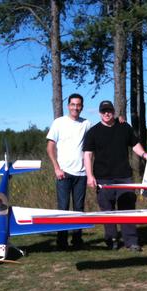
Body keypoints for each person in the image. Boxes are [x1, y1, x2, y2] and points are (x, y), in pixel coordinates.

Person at [83, 100, 147, 252]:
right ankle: (111, 240)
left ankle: (131, 241)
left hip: (124, 176)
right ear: (100, 113)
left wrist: (145, 154)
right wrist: (89, 176)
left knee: (127, 210)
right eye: (104, 111)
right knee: (108, 211)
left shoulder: (124, 127)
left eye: (109, 110)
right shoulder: (93, 132)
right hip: (103, 178)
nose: (107, 113)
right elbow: (87, 155)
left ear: (113, 111)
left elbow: (135, 145)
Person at [46, 93, 92, 250]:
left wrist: (119, 122)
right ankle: (62, 241)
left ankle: (77, 240)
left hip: (81, 173)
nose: (75, 107)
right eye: (73, 104)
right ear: (68, 106)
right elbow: (50, 147)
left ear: (82, 107)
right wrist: (56, 168)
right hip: (63, 173)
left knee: (79, 209)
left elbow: (96, 138)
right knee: (63, 208)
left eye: (78, 105)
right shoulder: (59, 123)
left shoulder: (86, 124)